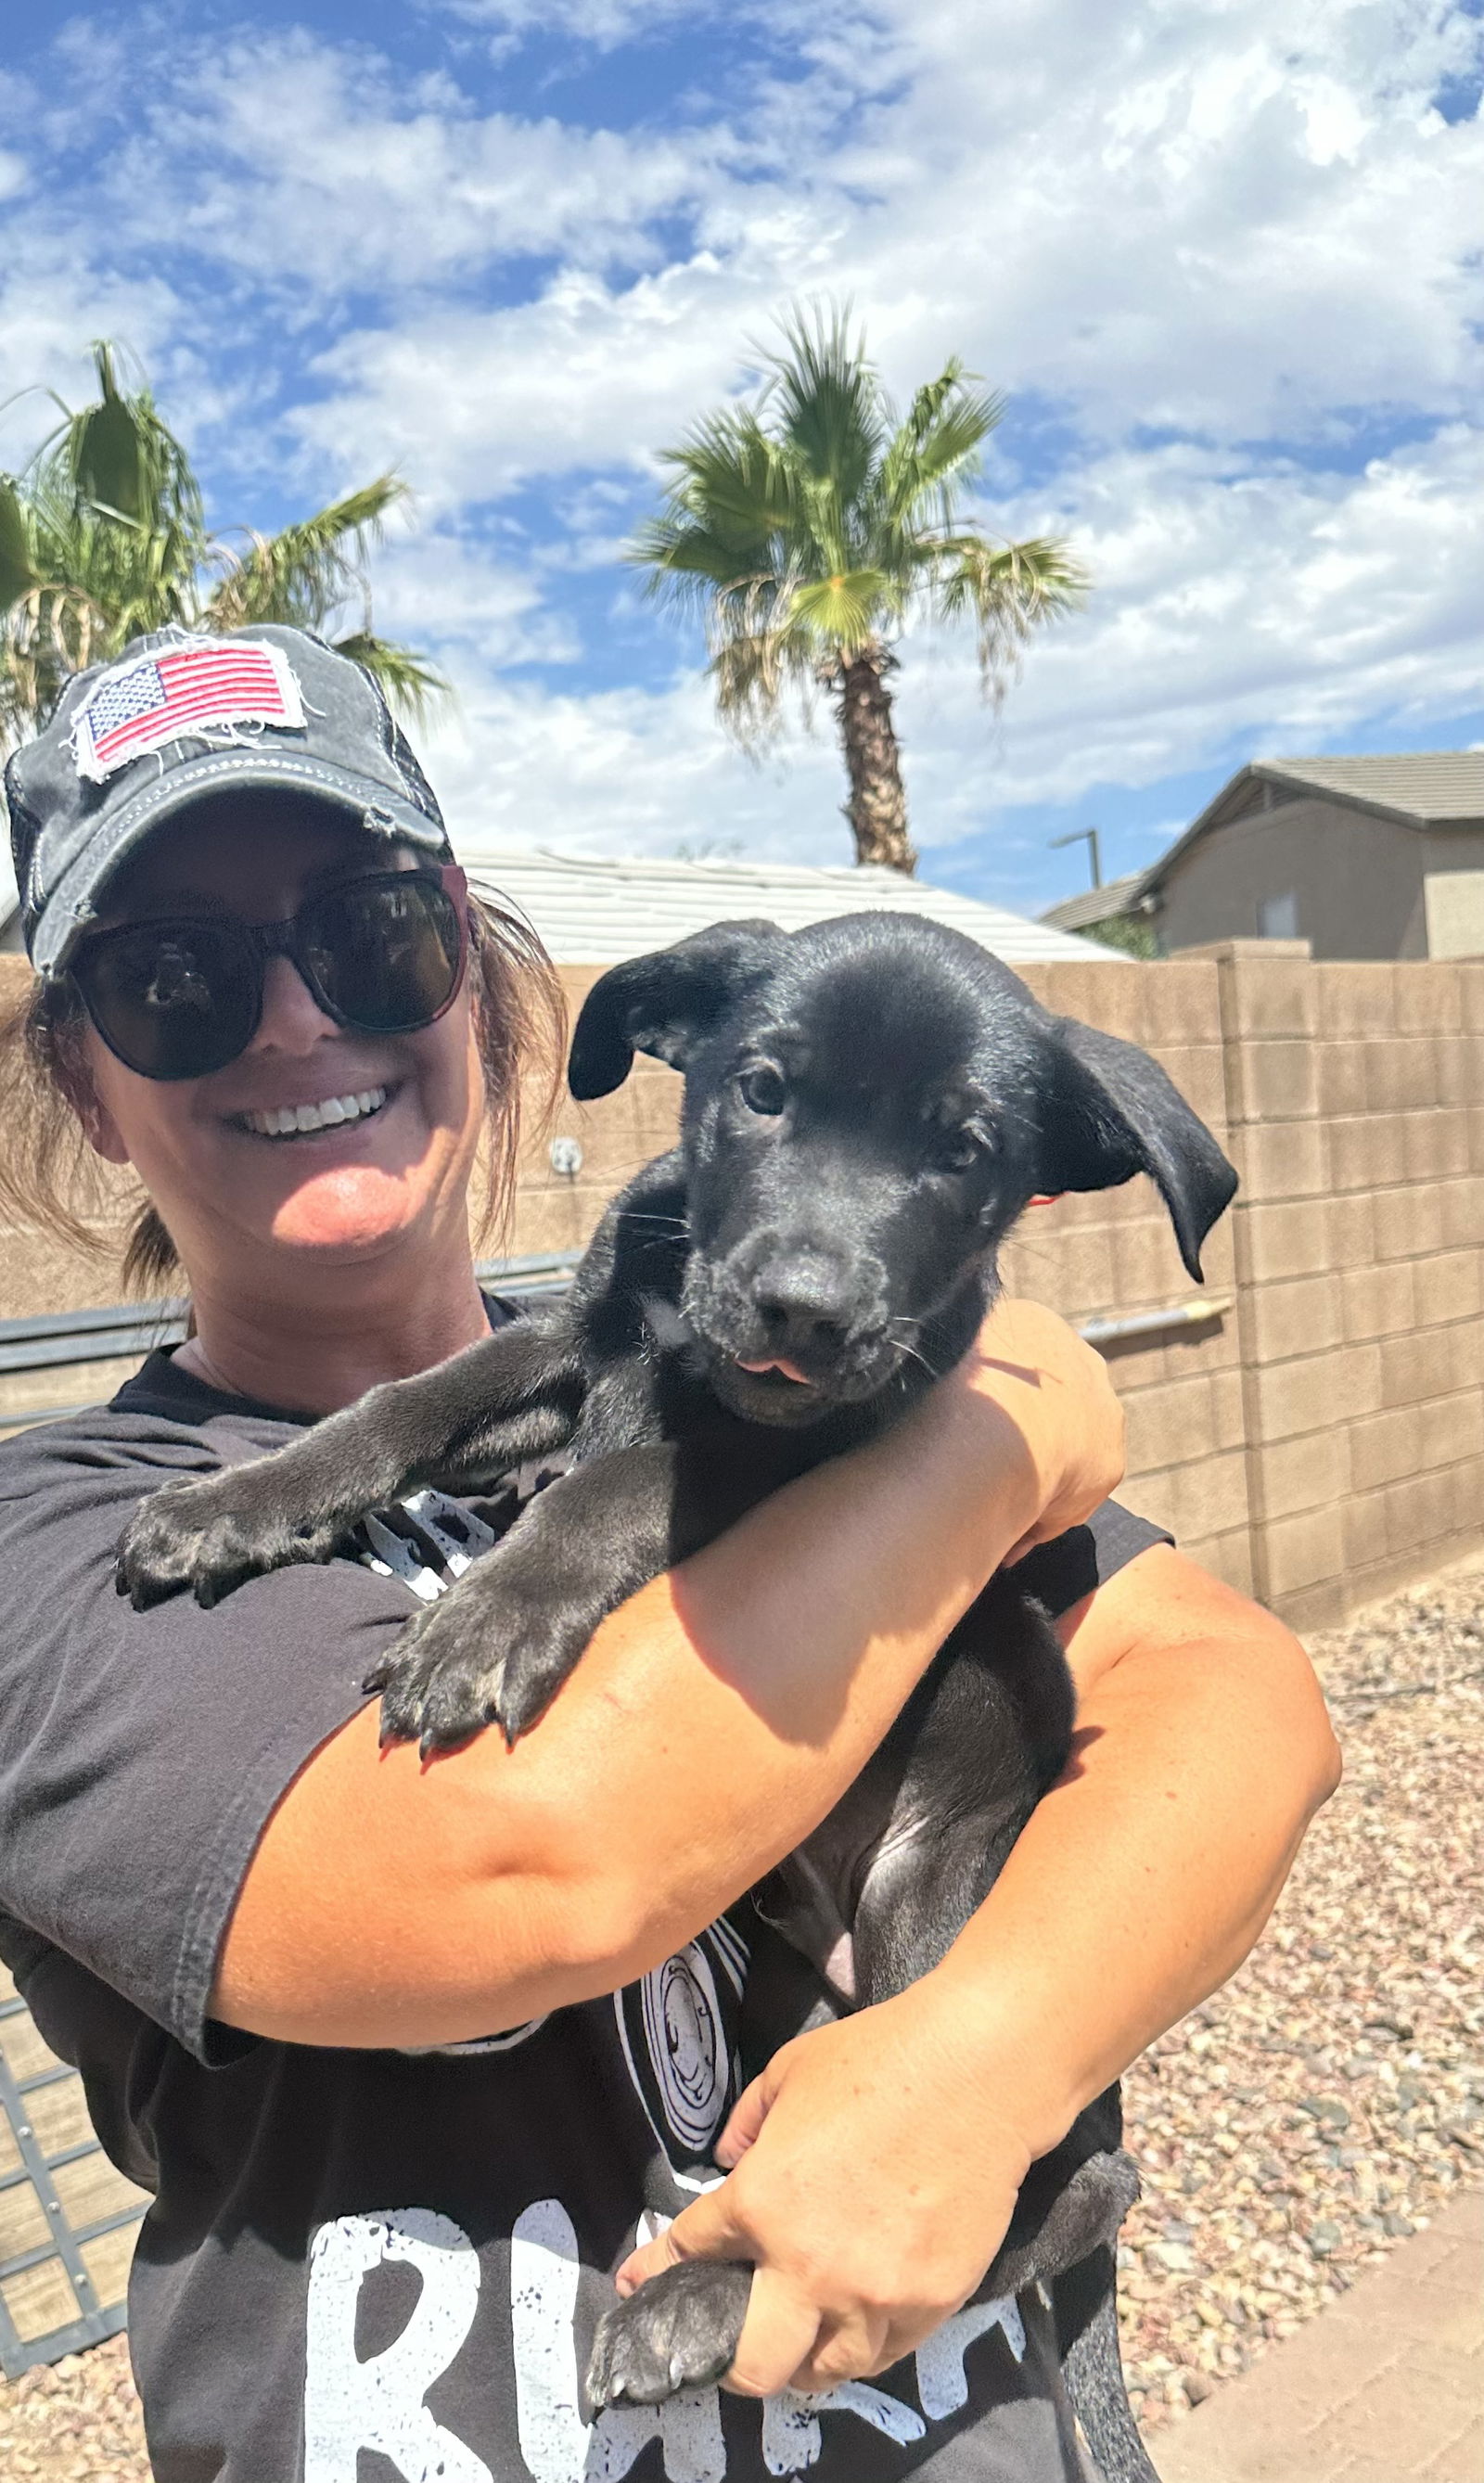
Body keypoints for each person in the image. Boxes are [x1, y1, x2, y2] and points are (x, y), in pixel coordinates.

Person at [0, 623, 1339, 2483]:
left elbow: (1238, 1696)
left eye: (369, 937)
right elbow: (528, 1868)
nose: (296, 1020)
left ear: (471, 976)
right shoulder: (58, 1544)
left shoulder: (739, 1359)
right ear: (81, 1076)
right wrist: (1013, 1416)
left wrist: (982, 2060)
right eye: (174, 981)